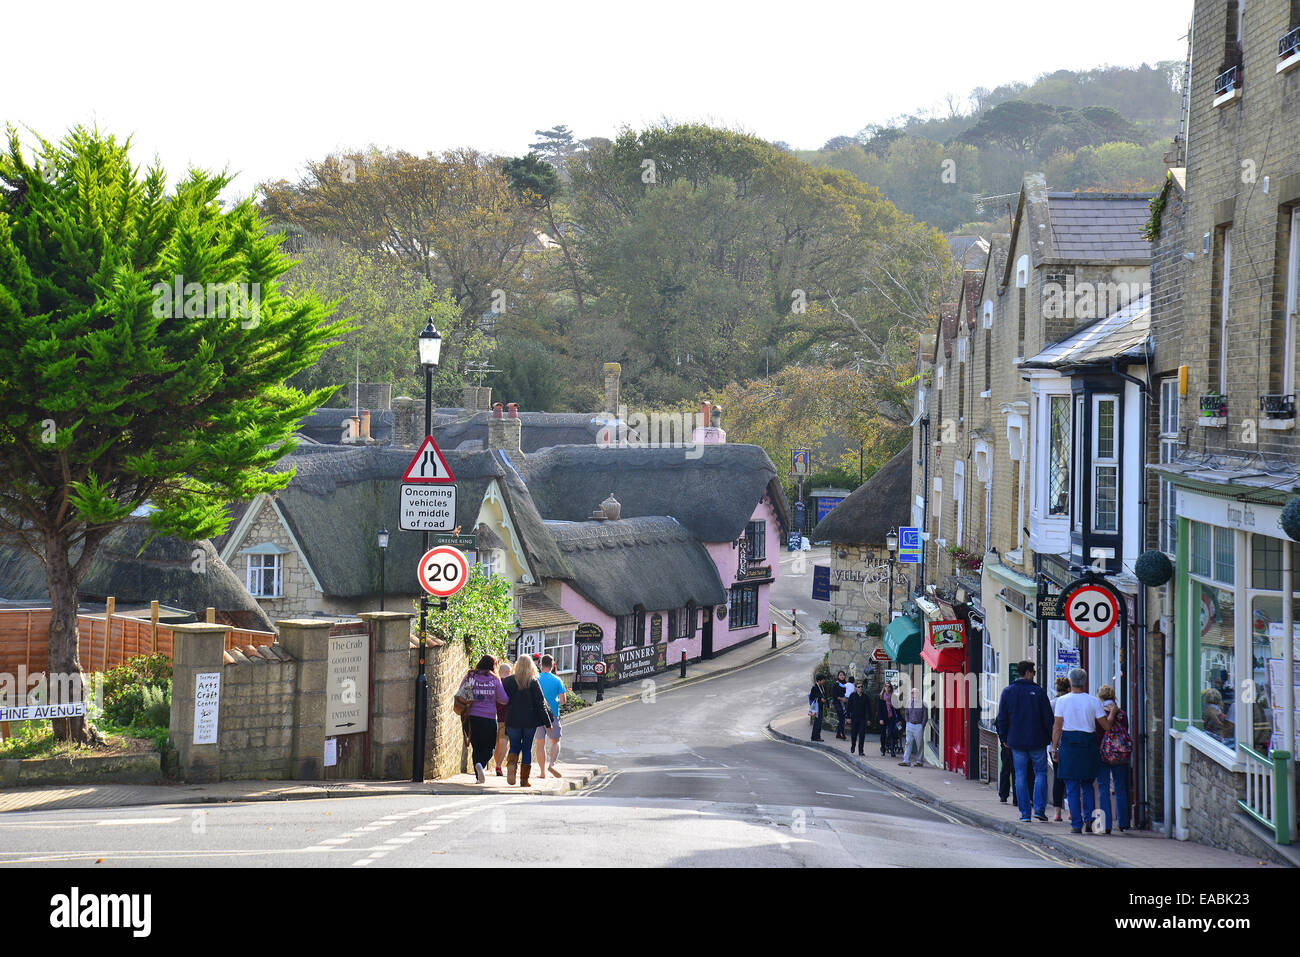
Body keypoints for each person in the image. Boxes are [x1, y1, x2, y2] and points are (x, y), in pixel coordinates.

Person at [1051, 667, 1115, 834]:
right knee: (1087, 785)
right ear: (1084, 682)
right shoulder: (1093, 701)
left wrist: (1054, 748)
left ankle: (1076, 824)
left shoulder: (1062, 701)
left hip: (1069, 744)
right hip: (1088, 744)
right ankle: (1089, 820)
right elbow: (1106, 726)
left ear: (1071, 682)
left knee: (1071, 786)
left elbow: (1057, 727)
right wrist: (1113, 713)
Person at [995, 660, 1054, 823]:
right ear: (1028, 673)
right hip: (1038, 740)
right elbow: (1048, 719)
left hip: (1016, 741)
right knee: (1040, 773)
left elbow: (1002, 719)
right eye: (1033, 672)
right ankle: (1039, 809)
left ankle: (1025, 813)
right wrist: (1050, 738)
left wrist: (1004, 738)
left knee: (1020, 775)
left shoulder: (1008, 692)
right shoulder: (1039, 693)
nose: (1034, 675)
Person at [501, 654, 553, 787]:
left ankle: (511, 765)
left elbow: (502, 700)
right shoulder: (534, 682)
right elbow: (540, 703)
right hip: (530, 721)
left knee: (513, 746)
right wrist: (548, 723)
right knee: (527, 748)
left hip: (512, 720)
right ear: (531, 666)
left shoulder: (507, 681)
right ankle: (524, 780)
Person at [463, 655, 509, 784]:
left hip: (471, 717)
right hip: (488, 718)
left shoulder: (470, 676)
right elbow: (504, 699)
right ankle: (481, 765)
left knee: (476, 746)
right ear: (493, 666)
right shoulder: (494, 679)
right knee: (490, 747)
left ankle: (479, 775)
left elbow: (461, 692)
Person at [1096, 684, 1130, 834]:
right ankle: (1123, 822)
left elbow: (1098, 733)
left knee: (1103, 787)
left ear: (1100, 697)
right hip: (1120, 754)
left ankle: (1106, 824)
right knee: (1120, 786)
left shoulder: (1099, 713)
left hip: (1102, 754)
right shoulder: (1122, 714)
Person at [534, 654, 567, 778]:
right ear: (552, 665)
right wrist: (555, 702)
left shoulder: (535, 678)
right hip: (553, 714)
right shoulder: (557, 680)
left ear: (540, 665)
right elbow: (563, 700)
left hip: (538, 715)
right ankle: (552, 764)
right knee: (555, 741)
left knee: (540, 743)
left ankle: (542, 773)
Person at [1049, 676, 1070, 821]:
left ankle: (1057, 813)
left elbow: (1052, 726)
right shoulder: (1070, 702)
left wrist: (1053, 747)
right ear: (1069, 688)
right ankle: (1071, 811)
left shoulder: (1052, 703)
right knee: (1070, 778)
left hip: (1055, 745)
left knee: (1057, 778)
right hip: (1069, 745)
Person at [492, 659, 512, 776]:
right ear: (509, 672)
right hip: (505, 717)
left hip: (492, 715)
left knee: (495, 743)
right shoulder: (510, 683)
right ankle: (499, 766)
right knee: (503, 740)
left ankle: (497, 764)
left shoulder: (495, 682)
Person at [901, 687, 926, 767]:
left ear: (918, 694)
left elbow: (925, 716)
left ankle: (919, 761)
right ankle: (906, 760)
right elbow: (906, 713)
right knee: (908, 742)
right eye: (912, 692)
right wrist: (907, 722)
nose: (912, 694)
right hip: (910, 725)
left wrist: (922, 725)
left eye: (914, 692)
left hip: (918, 725)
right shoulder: (909, 702)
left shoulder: (923, 703)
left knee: (919, 744)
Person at [846, 680, 871, 755]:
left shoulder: (865, 697)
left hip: (862, 719)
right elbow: (848, 707)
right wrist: (848, 717)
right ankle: (853, 746)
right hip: (854, 718)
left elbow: (868, 709)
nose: (860, 688)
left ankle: (861, 750)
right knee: (853, 734)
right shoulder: (852, 696)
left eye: (861, 687)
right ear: (856, 688)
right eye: (859, 687)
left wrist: (869, 719)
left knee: (862, 735)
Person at [877, 683, 899, 756]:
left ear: (891, 688)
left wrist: (898, 719)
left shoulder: (894, 697)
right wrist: (880, 719)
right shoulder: (881, 697)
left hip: (891, 717)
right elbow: (879, 709)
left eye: (889, 687)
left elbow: (897, 708)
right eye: (886, 686)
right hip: (883, 718)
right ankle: (883, 748)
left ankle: (892, 750)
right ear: (884, 688)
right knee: (883, 734)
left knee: (891, 733)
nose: (887, 688)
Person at [808, 674, 829, 741]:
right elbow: (811, 697)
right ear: (819, 680)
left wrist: (827, 705)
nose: (824, 681)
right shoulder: (814, 687)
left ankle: (816, 736)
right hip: (816, 708)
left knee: (819, 722)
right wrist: (820, 699)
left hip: (821, 707)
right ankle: (815, 737)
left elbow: (825, 696)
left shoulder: (822, 687)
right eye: (823, 680)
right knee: (817, 722)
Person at [834, 671, 849, 740]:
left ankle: (838, 734)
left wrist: (846, 699)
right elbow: (834, 695)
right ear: (838, 676)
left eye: (843, 675)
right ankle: (843, 734)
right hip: (838, 703)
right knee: (842, 719)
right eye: (840, 675)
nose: (842, 676)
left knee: (842, 719)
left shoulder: (846, 684)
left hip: (845, 703)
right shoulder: (836, 684)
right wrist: (841, 699)